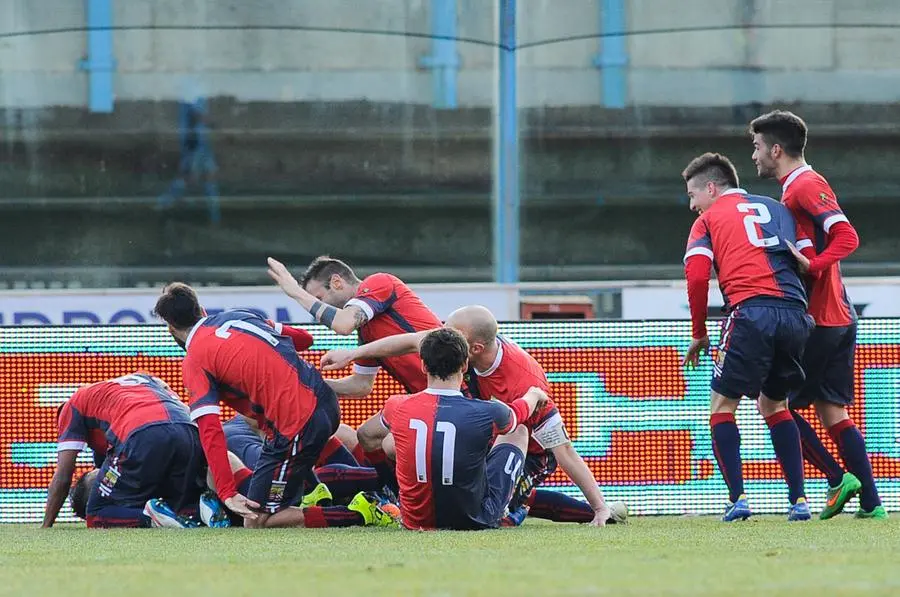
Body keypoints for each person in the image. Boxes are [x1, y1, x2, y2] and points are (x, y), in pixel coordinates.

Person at [322, 306, 622, 527]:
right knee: (392, 445)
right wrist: (351, 355)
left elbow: (563, 449)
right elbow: (410, 340)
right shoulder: (454, 344)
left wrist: (598, 507)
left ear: (474, 350)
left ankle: (595, 509)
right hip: (484, 434)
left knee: (513, 440)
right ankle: (395, 494)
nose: (440, 335)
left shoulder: (524, 381)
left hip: (525, 451)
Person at [153, 282, 392, 529]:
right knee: (295, 465)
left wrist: (226, 492)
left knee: (255, 523)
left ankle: (362, 513)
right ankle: (316, 492)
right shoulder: (241, 316)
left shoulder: (195, 361)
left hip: (297, 424)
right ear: (202, 310)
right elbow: (304, 339)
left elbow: (210, 430)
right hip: (324, 402)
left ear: (171, 328)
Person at [750, 110, 886, 520]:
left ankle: (834, 480)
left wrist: (813, 266)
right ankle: (872, 504)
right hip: (837, 316)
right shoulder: (794, 189)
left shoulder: (805, 185)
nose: (753, 155)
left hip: (820, 319)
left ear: (776, 149)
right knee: (833, 412)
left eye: (756, 147)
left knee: (771, 404)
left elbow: (847, 235)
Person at [681, 152, 813, 521]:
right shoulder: (777, 207)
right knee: (775, 405)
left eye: (693, 195)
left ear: (711, 187)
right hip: (794, 314)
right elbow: (807, 258)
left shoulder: (709, 220)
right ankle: (799, 501)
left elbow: (696, 277)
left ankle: (738, 499)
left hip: (750, 312)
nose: (692, 205)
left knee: (722, 406)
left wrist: (699, 332)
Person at [266, 255, 444, 485]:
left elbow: (342, 324)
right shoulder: (367, 331)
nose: (318, 311)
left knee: (393, 444)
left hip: (456, 388)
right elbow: (361, 386)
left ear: (337, 282)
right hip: (427, 399)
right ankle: (394, 497)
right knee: (367, 435)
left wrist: (295, 292)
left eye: (319, 298)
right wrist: (309, 383)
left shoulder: (380, 282)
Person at [358, 327, 549, 530]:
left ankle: (393, 494)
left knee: (391, 441)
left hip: (415, 520)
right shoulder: (488, 411)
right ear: (465, 365)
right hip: (474, 520)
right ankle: (501, 510)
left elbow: (366, 435)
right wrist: (534, 395)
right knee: (516, 431)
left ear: (423, 366)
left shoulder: (396, 405)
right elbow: (516, 413)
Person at [43, 373, 206, 529]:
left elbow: (63, 476)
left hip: (142, 434)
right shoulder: (141, 379)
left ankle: (150, 517)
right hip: (189, 431)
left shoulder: (72, 406)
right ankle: (205, 510)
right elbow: (183, 407)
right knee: (182, 506)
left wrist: (46, 526)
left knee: (96, 514)